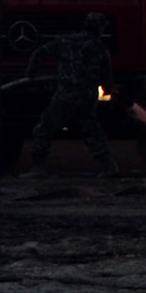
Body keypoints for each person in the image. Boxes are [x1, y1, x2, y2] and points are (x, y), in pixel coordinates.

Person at [23, 11, 118, 176]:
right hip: (86, 98)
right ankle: (109, 166)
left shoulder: (67, 41)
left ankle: (38, 167)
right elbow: (108, 79)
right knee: (92, 131)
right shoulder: (101, 49)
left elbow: (40, 52)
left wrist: (31, 72)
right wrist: (109, 92)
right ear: (99, 28)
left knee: (45, 128)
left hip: (65, 95)